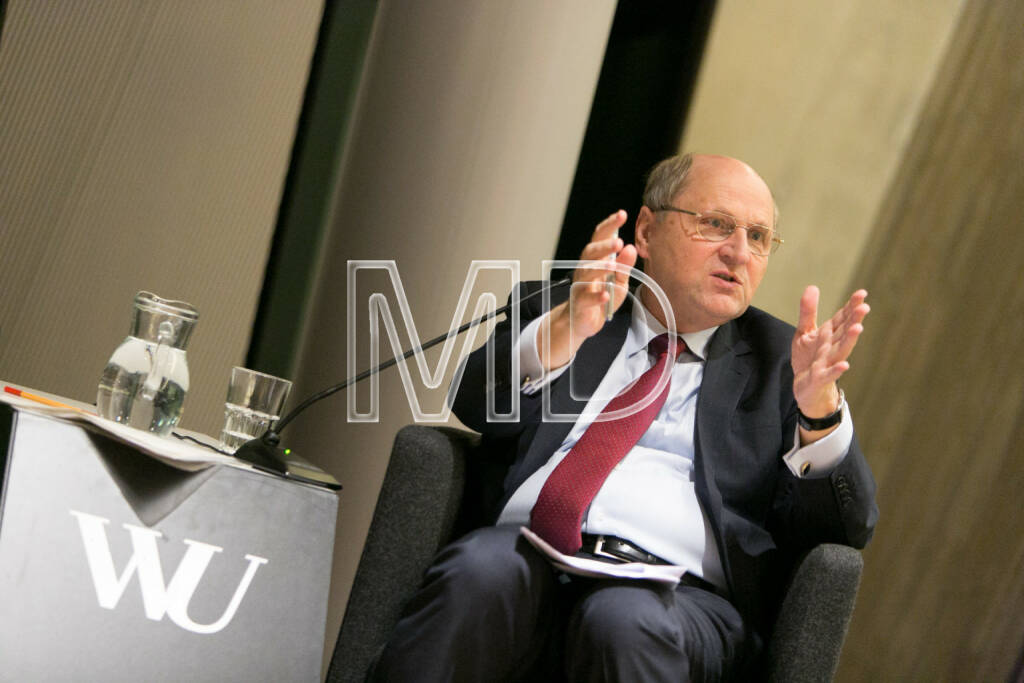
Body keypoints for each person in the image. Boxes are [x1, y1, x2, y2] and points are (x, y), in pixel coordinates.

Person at [371, 153, 878, 681]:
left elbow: (846, 527)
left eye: (757, 237)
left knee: (624, 619)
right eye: (717, 225)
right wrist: (565, 330)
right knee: (479, 571)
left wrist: (819, 412)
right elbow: (472, 402)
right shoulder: (572, 309)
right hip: (526, 550)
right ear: (648, 229)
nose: (738, 252)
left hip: (678, 598)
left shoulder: (783, 363)